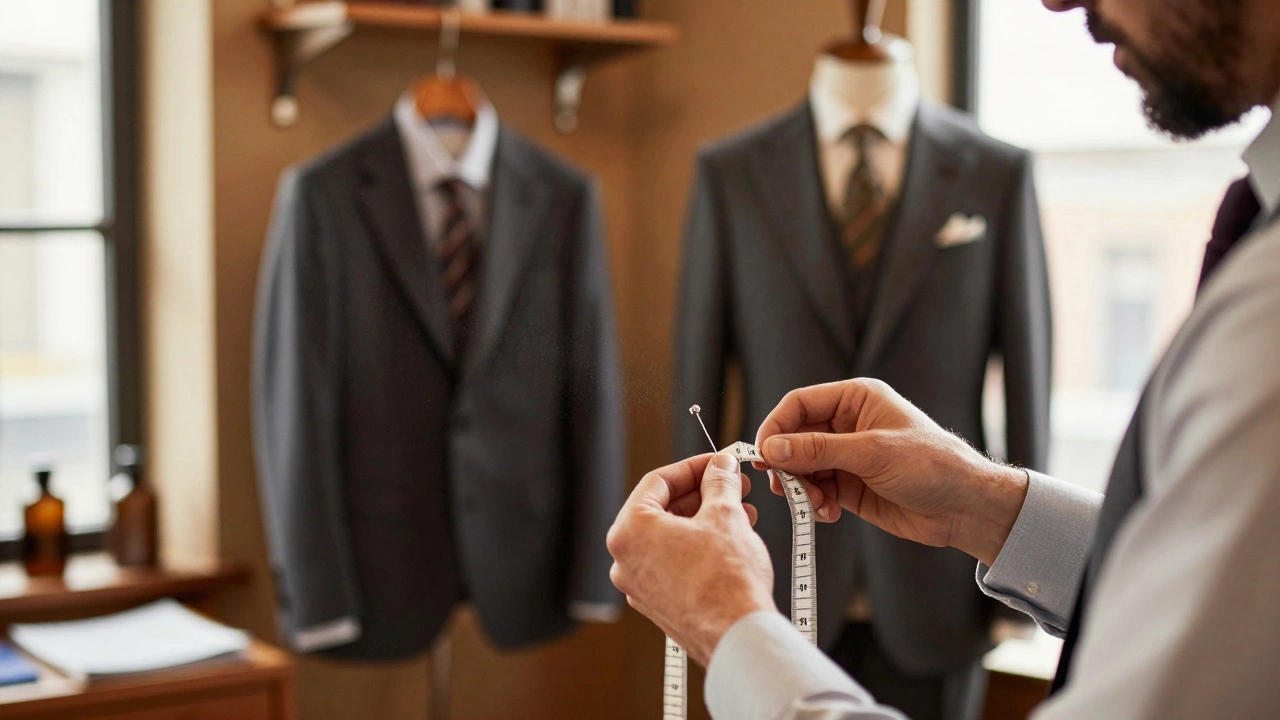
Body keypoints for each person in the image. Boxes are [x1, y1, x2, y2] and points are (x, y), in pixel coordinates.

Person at [606, 0, 1280, 717]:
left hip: (932, 609)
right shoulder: (730, 171)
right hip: (800, 552)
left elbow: (1029, 371)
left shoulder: (1259, 317)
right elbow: (1189, 571)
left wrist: (729, 628)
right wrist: (986, 503)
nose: (1053, 0)